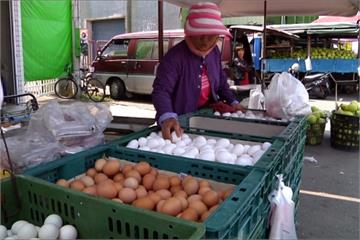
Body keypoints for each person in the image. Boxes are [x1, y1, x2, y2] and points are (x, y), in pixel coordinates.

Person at [152, 2, 244, 140]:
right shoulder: (174, 58)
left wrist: (233, 102)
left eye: (211, 35)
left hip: (205, 118)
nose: (205, 41)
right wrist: (167, 116)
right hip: (179, 124)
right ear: (189, 33)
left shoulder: (214, 53)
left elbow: (221, 84)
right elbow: (161, 90)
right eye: (200, 34)